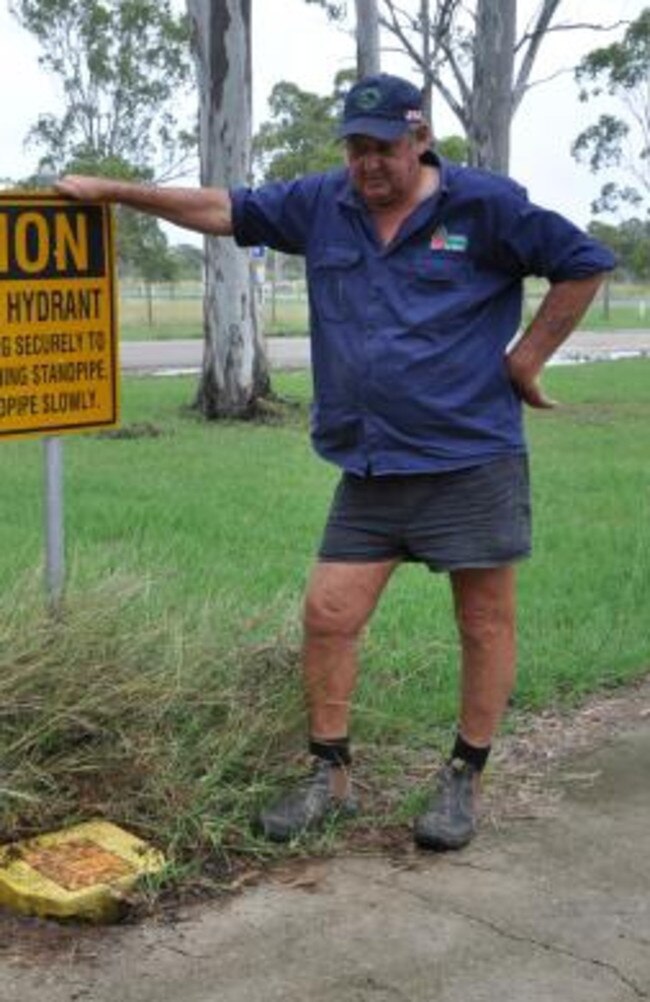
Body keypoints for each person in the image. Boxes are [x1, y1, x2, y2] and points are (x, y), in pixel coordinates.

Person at [56, 73, 615, 851]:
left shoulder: (485, 206)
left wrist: (528, 358)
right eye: (356, 147)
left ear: (420, 139)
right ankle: (330, 773)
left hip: (469, 456)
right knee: (328, 614)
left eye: (383, 147)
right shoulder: (326, 204)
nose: (368, 164)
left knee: (484, 622)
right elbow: (226, 209)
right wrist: (117, 193)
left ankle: (464, 776)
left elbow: (584, 261)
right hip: (373, 463)